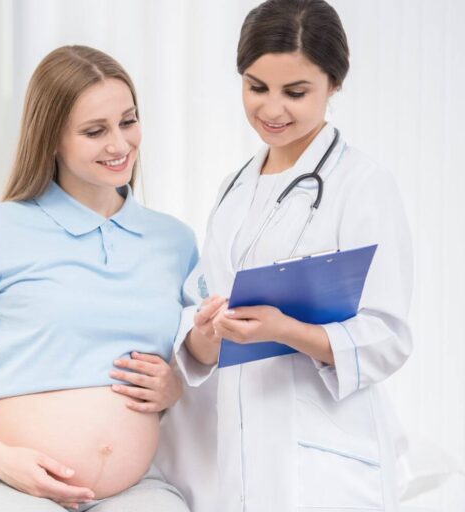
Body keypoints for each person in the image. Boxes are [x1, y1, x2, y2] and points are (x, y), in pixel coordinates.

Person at [156, 1, 413, 511]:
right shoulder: (234, 188)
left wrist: (282, 330)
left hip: (322, 459)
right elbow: (202, 306)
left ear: (334, 84)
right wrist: (205, 334)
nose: (272, 110)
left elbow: (387, 336)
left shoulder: (362, 185)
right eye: (256, 88)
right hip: (233, 450)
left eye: (295, 92)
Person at [0, 45, 196, 511]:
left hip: (132, 487)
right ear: (51, 139)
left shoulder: (175, 241)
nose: (119, 144)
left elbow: (199, 360)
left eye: (128, 121)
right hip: (2, 481)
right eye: (94, 131)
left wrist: (175, 387)